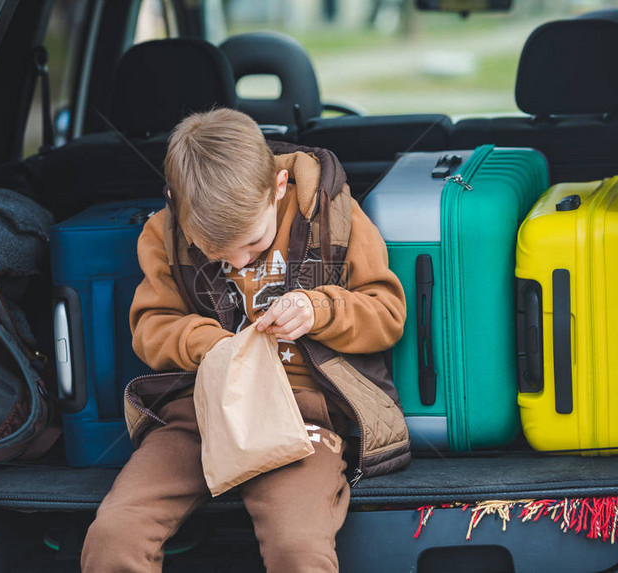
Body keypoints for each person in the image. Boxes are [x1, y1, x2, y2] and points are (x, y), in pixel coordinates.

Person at [81, 108, 410, 572]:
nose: (236, 262)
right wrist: (207, 343)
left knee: (297, 545)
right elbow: (151, 326)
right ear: (176, 203)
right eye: (214, 252)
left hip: (302, 419)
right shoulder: (163, 234)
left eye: (254, 245)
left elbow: (387, 313)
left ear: (277, 187)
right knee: (115, 533)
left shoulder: (332, 215)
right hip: (201, 412)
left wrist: (318, 309)